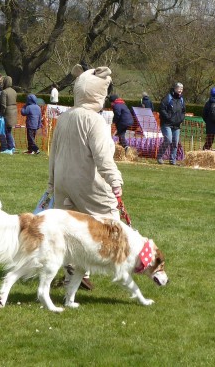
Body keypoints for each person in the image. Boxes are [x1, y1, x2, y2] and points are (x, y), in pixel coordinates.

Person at [47, 64, 124, 291]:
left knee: (69, 229)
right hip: (86, 183)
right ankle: (126, 267)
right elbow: (103, 158)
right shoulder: (95, 121)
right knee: (111, 223)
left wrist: (52, 183)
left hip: (63, 182)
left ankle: (73, 272)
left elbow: (54, 153)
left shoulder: (65, 117)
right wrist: (115, 181)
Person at [157, 82, 185, 165]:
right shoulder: (168, 98)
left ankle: (172, 160)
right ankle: (159, 156)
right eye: (179, 88)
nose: (180, 90)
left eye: (182, 89)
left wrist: (181, 118)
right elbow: (161, 109)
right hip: (166, 124)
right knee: (168, 139)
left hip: (177, 125)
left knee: (175, 142)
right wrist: (168, 117)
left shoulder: (182, 99)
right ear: (175, 89)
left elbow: (183, 111)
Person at [0, 75, 18, 154]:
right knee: (9, 130)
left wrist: (1, 114)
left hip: (7, 112)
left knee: (7, 131)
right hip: (14, 111)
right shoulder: (14, 91)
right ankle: (11, 147)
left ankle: (10, 147)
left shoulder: (4, 92)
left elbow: (3, 105)